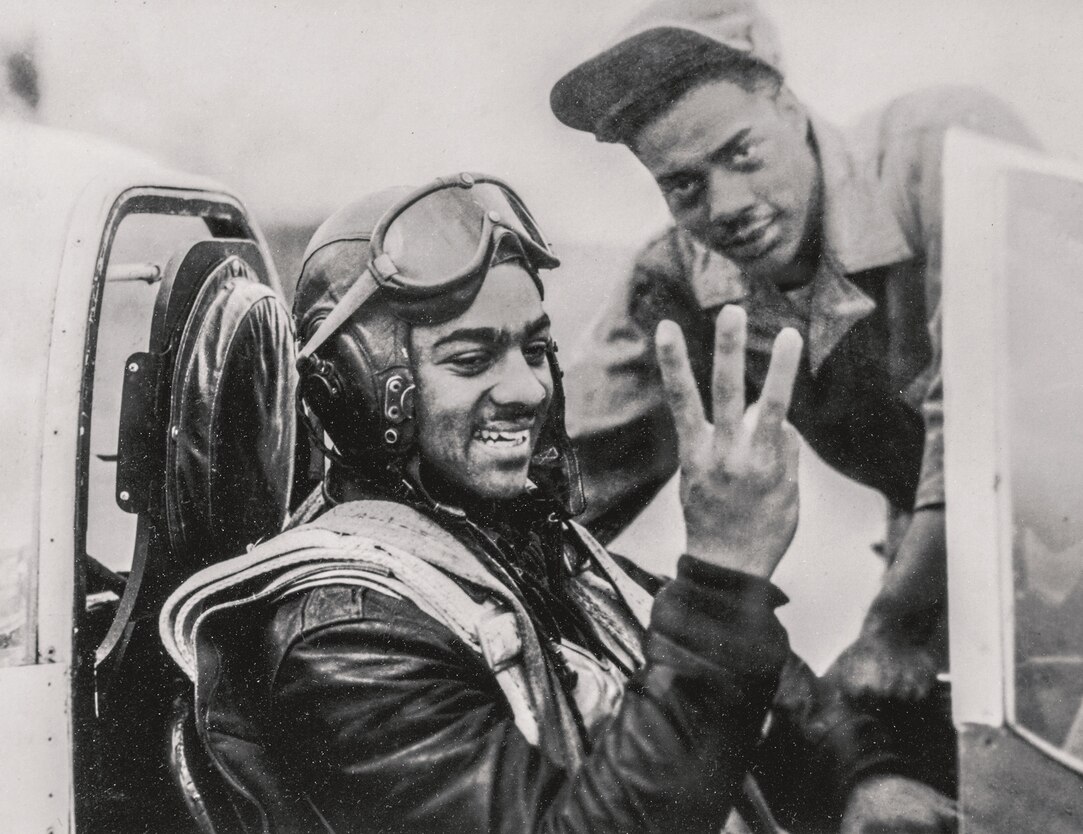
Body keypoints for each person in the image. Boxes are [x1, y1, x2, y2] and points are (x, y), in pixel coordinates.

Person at [160, 175, 954, 833]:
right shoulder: (344, 633)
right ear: (365, 393)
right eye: (471, 359)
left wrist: (859, 777)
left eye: (535, 348)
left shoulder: (513, 542)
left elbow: (773, 689)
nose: (527, 388)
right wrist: (722, 574)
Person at [549, 0, 1039, 726]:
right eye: (681, 185)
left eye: (741, 153)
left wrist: (894, 626)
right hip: (953, 588)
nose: (726, 207)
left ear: (783, 97)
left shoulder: (941, 151)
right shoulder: (679, 279)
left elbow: (989, 417)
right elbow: (565, 470)